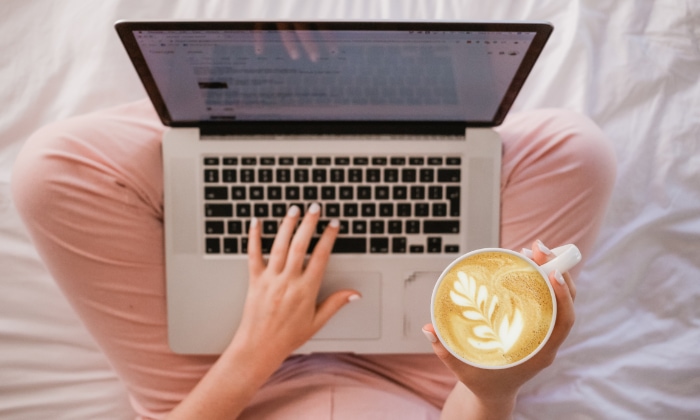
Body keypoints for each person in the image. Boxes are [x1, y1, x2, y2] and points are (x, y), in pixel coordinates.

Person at [11, 99, 616, 419]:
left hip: (221, 386)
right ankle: (381, 113)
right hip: (431, 390)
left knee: (53, 169)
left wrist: (255, 350)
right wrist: (493, 388)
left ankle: (248, 110)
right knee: (575, 150)